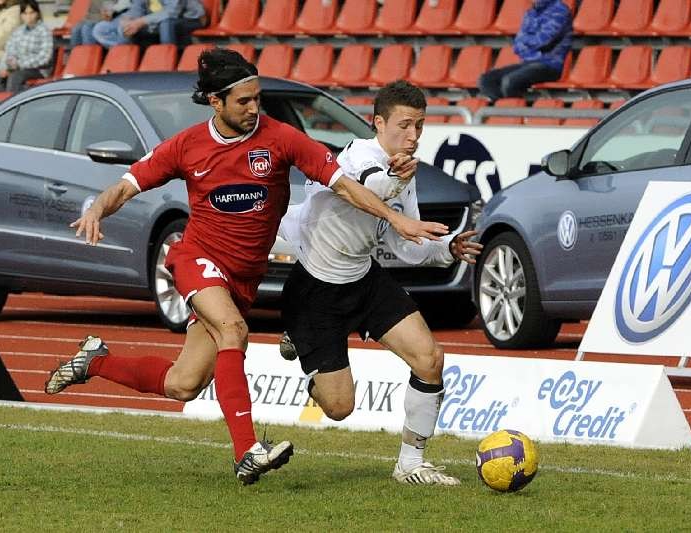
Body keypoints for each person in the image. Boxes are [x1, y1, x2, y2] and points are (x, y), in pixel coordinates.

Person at [44, 49, 448, 485]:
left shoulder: (281, 138)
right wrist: (97, 212)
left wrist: (395, 217)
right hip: (197, 258)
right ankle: (247, 451)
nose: (255, 108)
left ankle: (96, 362)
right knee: (234, 331)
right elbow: (128, 185)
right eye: (244, 101)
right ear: (215, 102)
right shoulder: (187, 146)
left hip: (243, 277)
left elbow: (343, 185)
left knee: (184, 383)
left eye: (257, 98)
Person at [277, 81, 483, 486]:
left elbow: (401, 240)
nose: (413, 136)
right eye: (405, 125)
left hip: (364, 277)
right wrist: (396, 185)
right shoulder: (356, 157)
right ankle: (302, 341)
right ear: (378, 122)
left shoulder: (404, 171)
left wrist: (446, 248)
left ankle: (411, 464)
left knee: (430, 359)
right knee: (338, 408)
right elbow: (369, 187)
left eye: (420, 127)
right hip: (316, 288)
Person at [478, 0, 572, 101]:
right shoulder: (530, 12)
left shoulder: (560, 11)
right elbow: (517, 43)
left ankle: (514, 112)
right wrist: (528, 43)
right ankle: (503, 110)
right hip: (528, 63)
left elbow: (543, 41)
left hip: (550, 65)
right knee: (486, 80)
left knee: (510, 81)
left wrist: (526, 42)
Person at [0, 0, 51, 96]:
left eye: (31, 13)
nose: (28, 16)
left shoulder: (44, 31)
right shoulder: (18, 31)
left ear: (37, 13)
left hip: (36, 70)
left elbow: (44, 58)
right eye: (25, 13)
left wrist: (19, 64)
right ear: (21, 15)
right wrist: (5, 67)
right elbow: (9, 51)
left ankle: (11, 103)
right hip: (15, 67)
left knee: (15, 76)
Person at [93, 0, 205, 48]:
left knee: (166, 24)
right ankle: (127, 55)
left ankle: (167, 62)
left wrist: (140, 22)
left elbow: (173, 11)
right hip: (155, 21)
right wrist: (128, 18)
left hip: (189, 18)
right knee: (101, 28)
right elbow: (138, 8)